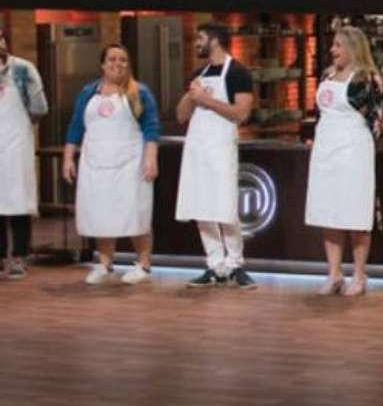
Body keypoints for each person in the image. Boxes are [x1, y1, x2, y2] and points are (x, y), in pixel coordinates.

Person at [62, 44, 160, 285]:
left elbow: (151, 128)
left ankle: (144, 264)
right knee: (101, 213)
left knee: (135, 212)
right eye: (112, 59)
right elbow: (75, 127)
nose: (118, 64)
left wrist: (151, 159)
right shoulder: (88, 93)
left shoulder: (139, 92)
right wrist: (68, 158)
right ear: (103, 64)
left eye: (123, 60)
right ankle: (105, 263)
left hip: (130, 163)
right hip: (95, 163)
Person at [305, 27, 383, 297]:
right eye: (333, 45)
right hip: (325, 151)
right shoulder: (327, 76)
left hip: (354, 152)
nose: (333, 50)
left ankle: (359, 275)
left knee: (355, 212)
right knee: (329, 211)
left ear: (353, 48)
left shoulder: (368, 80)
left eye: (338, 45)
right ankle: (334, 274)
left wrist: (362, 143)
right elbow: (320, 115)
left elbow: (380, 120)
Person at [175, 22, 257, 289]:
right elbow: (181, 116)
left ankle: (235, 264)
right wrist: (192, 95)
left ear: (215, 40)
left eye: (201, 38)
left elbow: (241, 114)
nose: (197, 43)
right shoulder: (198, 74)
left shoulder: (238, 73)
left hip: (221, 147)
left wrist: (206, 99)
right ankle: (215, 264)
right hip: (197, 147)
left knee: (225, 206)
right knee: (201, 206)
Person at [0, 24, 47, 280]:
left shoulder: (22, 69)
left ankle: (19, 256)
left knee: (18, 200)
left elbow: (39, 107)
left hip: (16, 143)